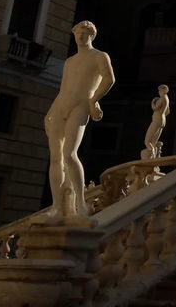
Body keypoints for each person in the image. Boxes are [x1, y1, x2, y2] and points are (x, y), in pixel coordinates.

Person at [44, 21, 114, 219]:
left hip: (80, 106)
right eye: (78, 34)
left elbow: (109, 79)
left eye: (85, 34)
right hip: (60, 107)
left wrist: (94, 100)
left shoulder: (99, 56)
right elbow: (62, 90)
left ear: (92, 35)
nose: (81, 37)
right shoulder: (70, 61)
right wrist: (49, 112)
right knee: (56, 158)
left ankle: (80, 204)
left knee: (69, 154)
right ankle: (57, 206)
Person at [144, 84, 170, 157]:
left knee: (147, 141)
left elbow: (155, 108)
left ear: (162, 90)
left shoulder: (162, 98)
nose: (159, 92)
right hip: (163, 120)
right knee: (153, 142)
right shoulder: (167, 98)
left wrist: (153, 101)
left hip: (157, 119)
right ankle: (154, 157)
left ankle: (151, 155)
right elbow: (168, 112)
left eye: (159, 90)